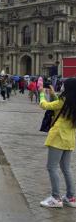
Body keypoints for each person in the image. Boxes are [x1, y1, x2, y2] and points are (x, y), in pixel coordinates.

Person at [38, 80, 76, 208]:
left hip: (58, 137)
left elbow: (45, 105)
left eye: (65, 85)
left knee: (52, 167)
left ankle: (55, 198)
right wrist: (54, 95)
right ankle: (71, 197)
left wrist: (42, 94)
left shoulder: (64, 100)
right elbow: (60, 107)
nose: (62, 86)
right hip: (70, 138)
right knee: (66, 168)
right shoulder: (71, 101)